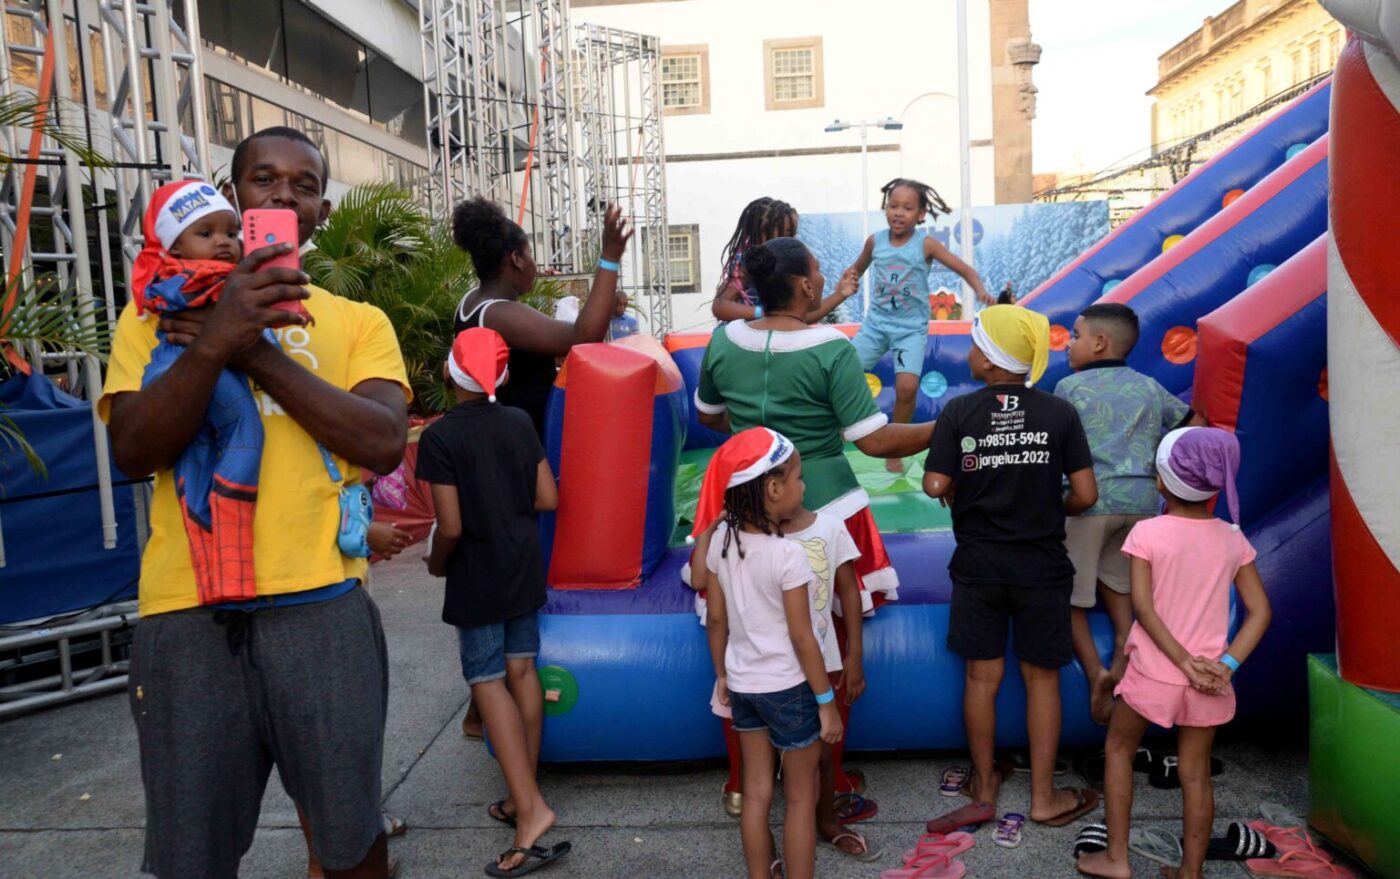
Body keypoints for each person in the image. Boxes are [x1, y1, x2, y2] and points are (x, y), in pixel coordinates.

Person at [101, 126, 410, 879]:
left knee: (351, 840)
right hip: (188, 613)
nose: (281, 194)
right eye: (263, 180)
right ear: (234, 197)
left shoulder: (357, 322)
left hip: (323, 603)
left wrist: (251, 350)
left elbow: (381, 442)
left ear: (322, 212)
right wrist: (210, 343)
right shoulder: (152, 315)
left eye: (302, 185)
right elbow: (136, 451)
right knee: (190, 856)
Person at [695, 236, 932, 813]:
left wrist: (755, 438)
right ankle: (828, 782)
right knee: (828, 642)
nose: (824, 280)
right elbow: (874, 440)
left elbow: (710, 417)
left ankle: (742, 782)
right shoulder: (831, 347)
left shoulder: (723, 340)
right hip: (824, 506)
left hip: (746, 507)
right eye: (820, 273)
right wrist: (944, 430)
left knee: (743, 638)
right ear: (803, 285)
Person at [922, 304, 1101, 830]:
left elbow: (933, 484)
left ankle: (982, 785)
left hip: (978, 564)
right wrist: (1049, 509)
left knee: (983, 677)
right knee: (1042, 679)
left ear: (992, 358)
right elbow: (1086, 494)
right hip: (1042, 564)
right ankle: (1044, 797)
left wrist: (954, 486)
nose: (970, 352)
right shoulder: (1058, 413)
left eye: (976, 343)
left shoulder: (959, 412)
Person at [1076, 427, 1271, 879]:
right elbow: (1260, 612)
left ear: (1163, 482)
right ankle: (1191, 872)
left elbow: (1142, 608)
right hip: (1211, 680)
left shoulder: (1148, 533)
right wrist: (1225, 666)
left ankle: (1117, 859)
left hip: (1154, 674)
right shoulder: (1231, 538)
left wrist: (1182, 663)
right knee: (1195, 774)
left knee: (1121, 750)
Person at [417, 327, 570, 878]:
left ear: (449, 373)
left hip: (477, 575)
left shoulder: (439, 438)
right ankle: (519, 796)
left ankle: (530, 810)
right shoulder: (518, 422)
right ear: (502, 376)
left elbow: (450, 527)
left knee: (485, 679)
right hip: (522, 565)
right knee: (522, 671)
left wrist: (436, 562)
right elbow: (547, 497)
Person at [688, 444, 878, 863]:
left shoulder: (724, 540)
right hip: (793, 687)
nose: (804, 485)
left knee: (756, 796)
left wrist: (721, 673)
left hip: (742, 685)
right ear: (773, 489)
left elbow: (710, 604)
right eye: (798, 478)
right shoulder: (788, 554)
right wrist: (826, 703)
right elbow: (802, 637)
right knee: (798, 798)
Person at [1056, 303, 1204, 725]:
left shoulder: (1069, 389)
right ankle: (1124, 649)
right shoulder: (1149, 386)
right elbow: (1194, 423)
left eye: (1077, 335)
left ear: (1100, 343)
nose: (1070, 343)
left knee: (1069, 598)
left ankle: (1095, 673)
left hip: (1088, 504)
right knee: (1120, 588)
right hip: (1141, 505)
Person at [129, 180, 261, 602]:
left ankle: (218, 573)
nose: (223, 243)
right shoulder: (193, 277)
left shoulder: (217, 276)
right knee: (246, 430)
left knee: (198, 459)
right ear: (175, 245)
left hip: (187, 375)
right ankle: (228, 525)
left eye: (230, 232)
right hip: (180, 371)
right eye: (205, 234)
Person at [846, 178, 995, 473]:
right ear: (885, 208)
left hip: (910, 329)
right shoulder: (875, 242)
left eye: (907, 208)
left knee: (907, 386)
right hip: (876, 324)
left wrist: (979, 290)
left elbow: (963, 268)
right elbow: (856, 268)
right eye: (893, 206)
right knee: (846, 370)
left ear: (922, 214)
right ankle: (843, 426)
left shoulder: (924, 244)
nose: (898, 213)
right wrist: (847, 281)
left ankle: (895, 446)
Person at [451, 196, 632, 439]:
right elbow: (584, 337)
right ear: (516, 259)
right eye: (530, 254)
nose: (535, 265)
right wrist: (609, 258)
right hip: (518, 450)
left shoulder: (471, 301)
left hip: (503, 440)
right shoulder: (497, 313)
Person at [710, 197, 853, 324]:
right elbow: (720, 306)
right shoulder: (746, 265)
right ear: (763, 232)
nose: (793, 240)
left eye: (794, 234)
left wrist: (839, 295)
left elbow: (802, 317)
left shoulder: (786, 267)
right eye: (787, 234)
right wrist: (762, 313)